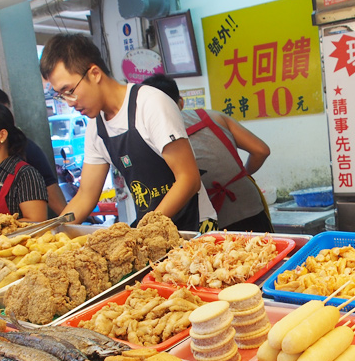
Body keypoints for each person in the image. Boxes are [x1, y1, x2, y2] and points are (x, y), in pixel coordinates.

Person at [39, 33, 216, 231]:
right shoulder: (96, 129)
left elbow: (188, 178)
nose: (70, 103)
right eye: (61, 96)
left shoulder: (151, 104)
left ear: (94, 73)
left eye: (69, 90)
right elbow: (85, 196)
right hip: (150, 227)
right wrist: (52, 234)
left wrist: (143, 231)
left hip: (194, 226)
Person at [142, 74, 273, 233]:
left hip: (208, 220)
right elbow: (261, 150)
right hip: (248, 204)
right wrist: (240, 175)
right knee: (269, 253)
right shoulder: (214, 116)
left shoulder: (149, 136)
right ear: (181, 102)